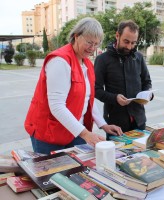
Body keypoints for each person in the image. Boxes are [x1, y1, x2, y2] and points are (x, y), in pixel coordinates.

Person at [24, 17, 123, 154]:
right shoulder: (60, 61)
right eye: (89, 43)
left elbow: (87, 99)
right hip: (50, 134)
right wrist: (86, 134)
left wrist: (103, 124)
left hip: (74, 131)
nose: (92, 48)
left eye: (96, 44)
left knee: (76, 171)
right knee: (52, 174)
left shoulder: (86, 63)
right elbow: (57, 106)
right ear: (76, 36)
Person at [94, 20, 152, 136]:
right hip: (116, 123)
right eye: (126, 42)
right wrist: (115, 98)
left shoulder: (139, 57)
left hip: (139, 120)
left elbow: (147, 82)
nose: (129, 47)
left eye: (133, 43)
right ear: (117, 35)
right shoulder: (103, 59)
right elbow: (95, 90)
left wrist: (148, 94)